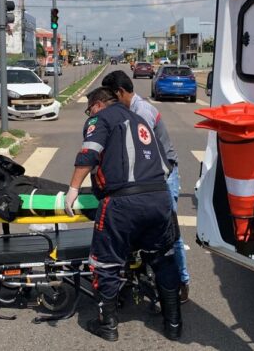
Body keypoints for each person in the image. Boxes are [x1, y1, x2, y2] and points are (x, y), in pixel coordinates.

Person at [65, 87, 182, 341]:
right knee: (163, 258)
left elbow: (89, 153)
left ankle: (107, 324)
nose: (89, 114)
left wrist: (73, 189)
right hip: (159, 198)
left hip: (122, 202)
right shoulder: (141, 120)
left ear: (97, 104)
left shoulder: (100, 118)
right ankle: (174, 324)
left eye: (89, 110)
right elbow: (165, 164)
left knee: (105, 262)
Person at [102, 70, 192, 303]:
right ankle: (146, 274)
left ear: (120, 93)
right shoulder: (132, 110)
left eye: (111, 98)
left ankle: (181, 283)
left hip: (163, 177)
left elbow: (146, 153)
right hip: (152, 177)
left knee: (170, 233)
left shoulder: (141, 112)